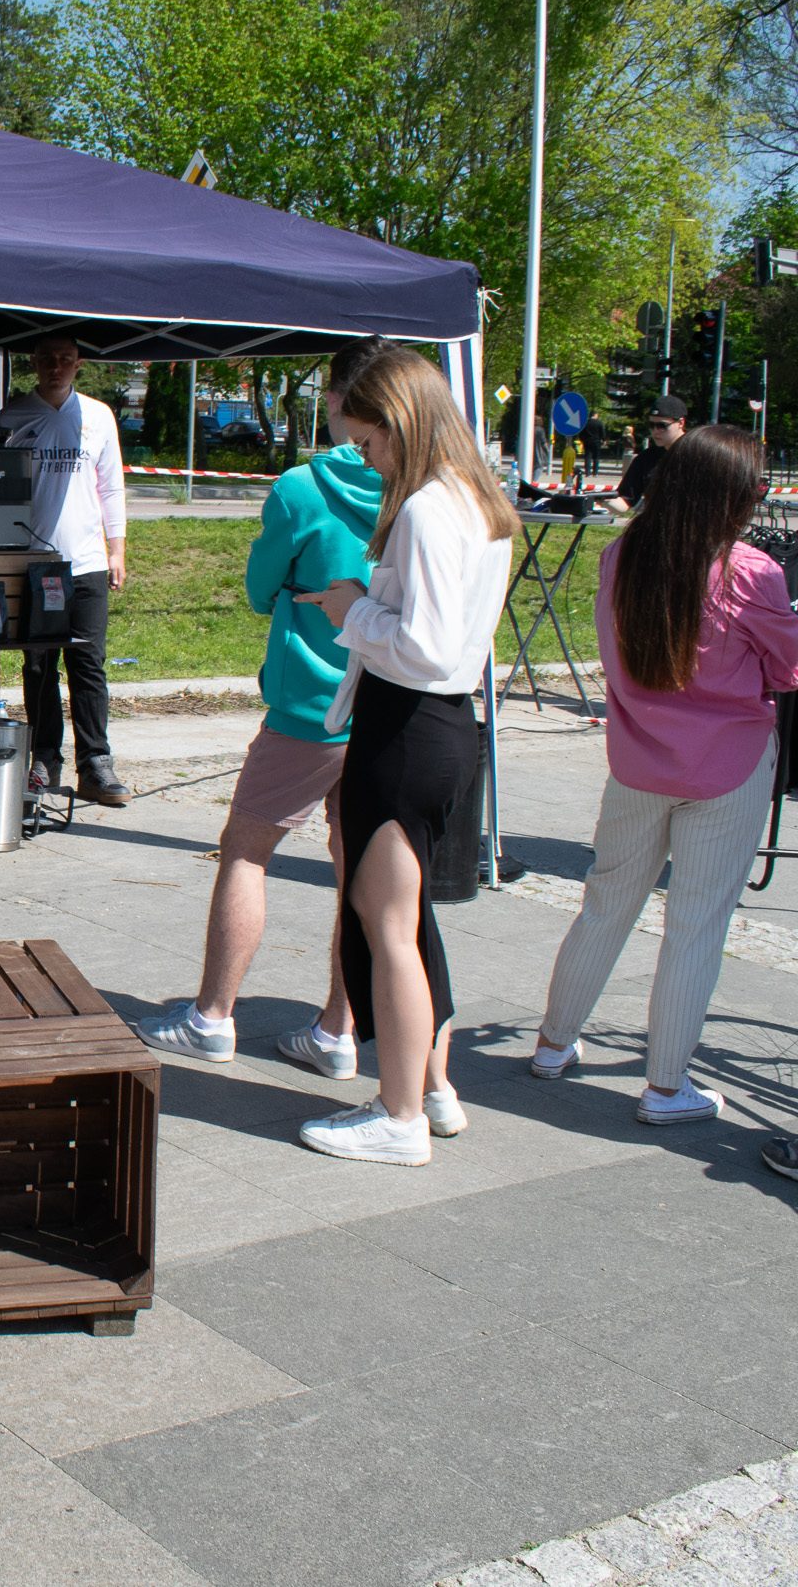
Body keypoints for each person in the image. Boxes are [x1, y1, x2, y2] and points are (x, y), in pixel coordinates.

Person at [137, 337, 391, 1075]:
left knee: (246, 850)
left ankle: (213, 1016)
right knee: (358, 874)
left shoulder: (302, 488)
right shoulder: (417, 487)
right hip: (388, 699)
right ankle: (339, 1030)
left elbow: (258, 588)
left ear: (336, 400)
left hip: (308, 702)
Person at [531, 425, 798, 1123]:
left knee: (605, 904)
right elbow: (789, 666)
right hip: (729, 765)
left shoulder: (623, 554)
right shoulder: (750, 572)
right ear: (733, 496)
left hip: (638, 758)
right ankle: (665, 1085)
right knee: (696, 927)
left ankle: (553, 1043)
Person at [294, 350, 518, 1165]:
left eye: (369, 442)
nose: (367, 458)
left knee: (386, 922)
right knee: (406, 919)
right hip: (443, 724)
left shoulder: (426, 507)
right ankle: (430, 1089)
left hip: (407, 725)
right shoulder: (476, 499)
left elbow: (424, 645)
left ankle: (399, 1116)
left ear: (400, 422)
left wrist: (352, 609)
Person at [0, 331, 130, 806]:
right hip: (33, 563)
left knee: (88, 663)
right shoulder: (12, 416)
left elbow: (111, 486)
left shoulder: (98, 415)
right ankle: (44, 759)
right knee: (39, 665)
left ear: (78, 364)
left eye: (66, 359)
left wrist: (117, 549)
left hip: (87, 561)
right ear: (34, 362)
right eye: (48, 359)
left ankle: (96, 762)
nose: (57, 367)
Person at [605, 394, 686, 515]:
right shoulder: (645, 458)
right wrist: (600, 500)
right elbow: (626, 500)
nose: (655, 431)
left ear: (681, 423)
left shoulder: (699, 453)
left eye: (662, 425)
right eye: (651, 425)